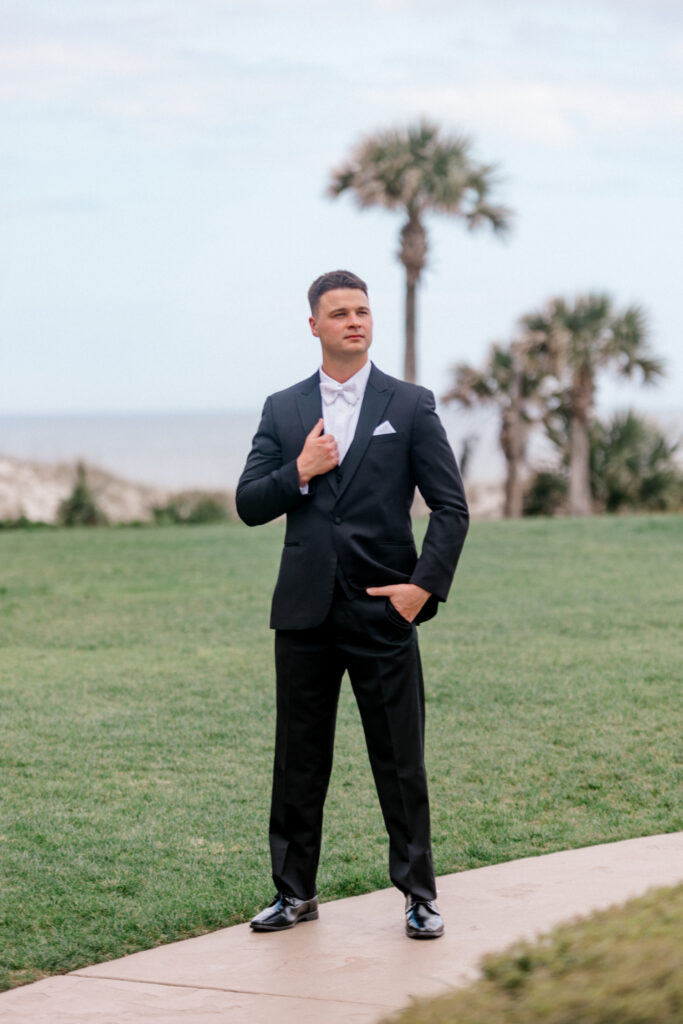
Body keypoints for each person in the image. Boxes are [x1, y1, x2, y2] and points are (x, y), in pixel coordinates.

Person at [236, 270, 469, 939]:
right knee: (298, 760)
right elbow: (250, 503)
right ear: (314, 325)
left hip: (382, 610)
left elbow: (450, 508)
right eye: (338, 313)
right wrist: (299, 472)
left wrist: (420, 589)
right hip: (303, 614)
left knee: (399, 760)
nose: (353, 322)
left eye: (361, 311)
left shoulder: (410, 403)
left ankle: (419, 895)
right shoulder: (282, 409)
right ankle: (293, 893)